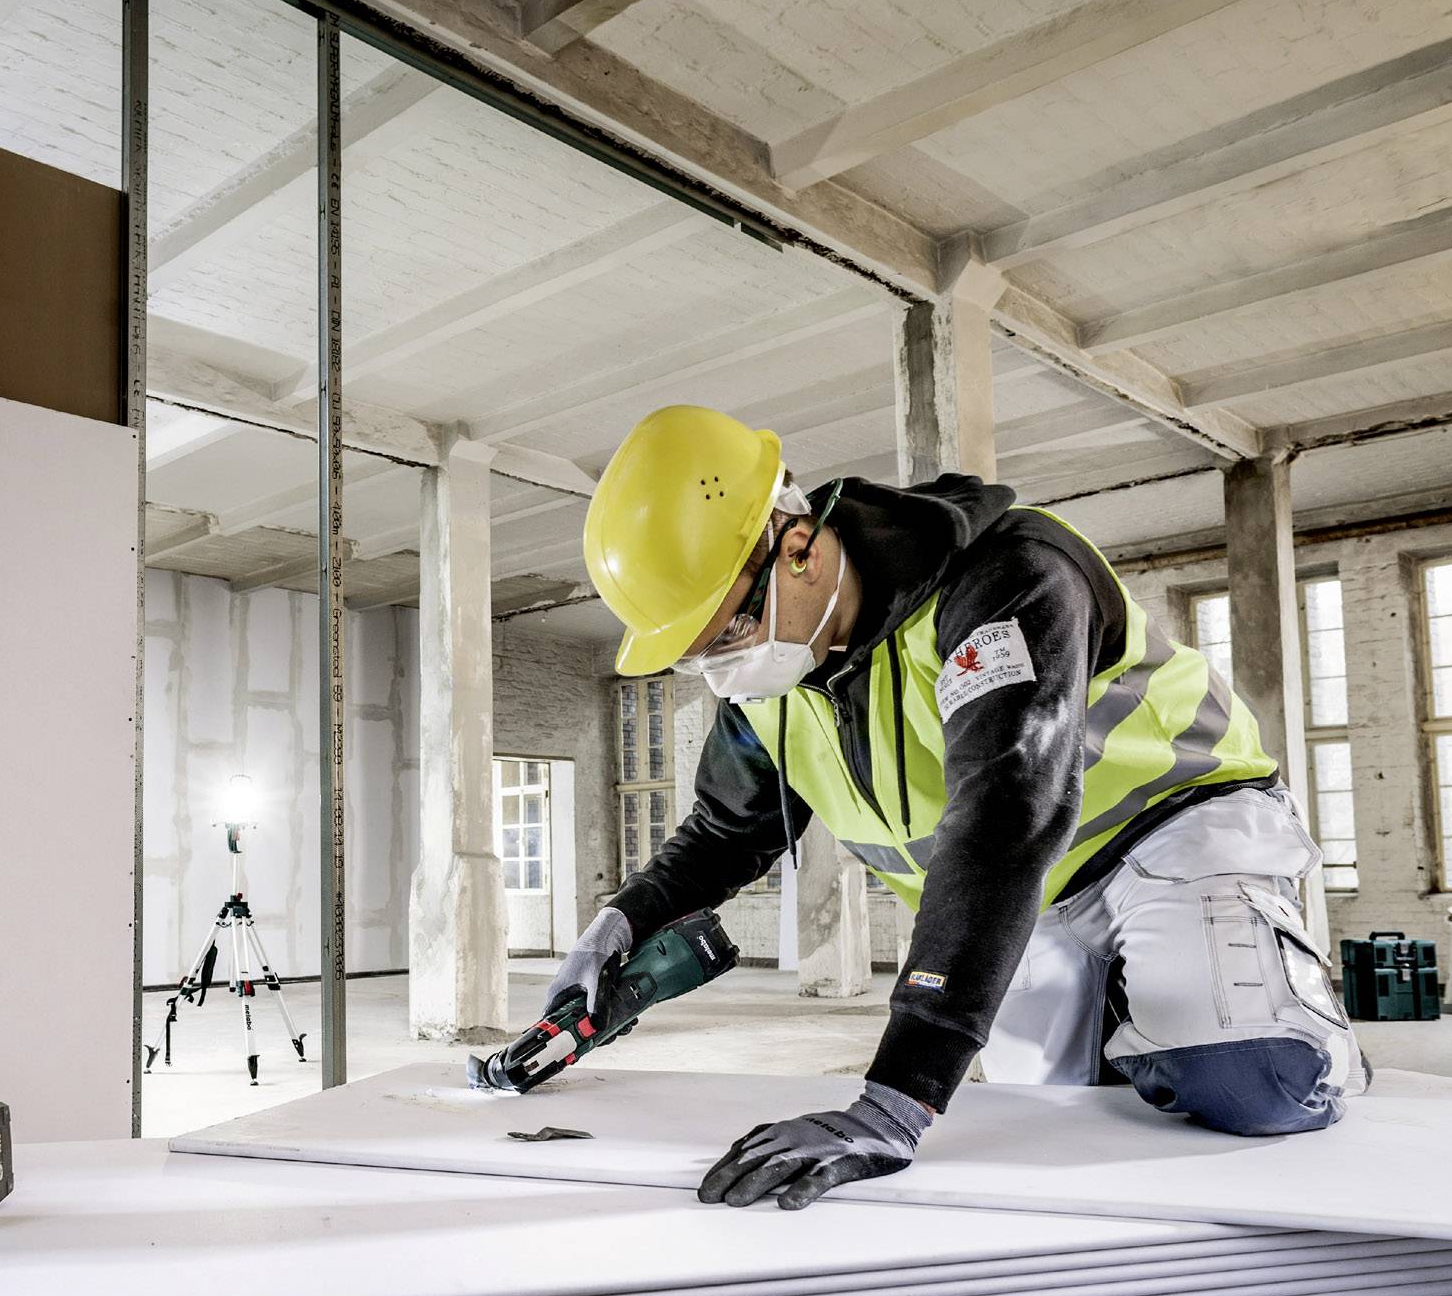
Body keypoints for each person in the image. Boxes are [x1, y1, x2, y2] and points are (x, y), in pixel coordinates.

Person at [554, 405, 1363, 1213]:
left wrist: (896, 1099)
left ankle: (1289, 1020)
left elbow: (1004, 812)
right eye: (700, 652)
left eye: (725, 629)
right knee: (1055, 1121)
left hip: (1172, 830)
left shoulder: (1007, 576)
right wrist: (621, 922)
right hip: (1027, 906)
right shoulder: (769, 684)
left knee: (1251, 1078)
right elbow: (727, 831)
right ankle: (1144, 1017)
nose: (723, 667)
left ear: (795, 548)